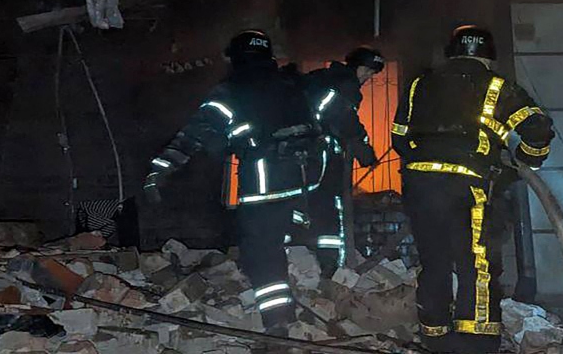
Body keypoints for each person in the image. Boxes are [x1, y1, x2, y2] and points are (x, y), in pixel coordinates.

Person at [143, 29, 325, 335]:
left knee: (261, 252)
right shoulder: (291, 84)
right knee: (277, 244)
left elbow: (193, 135)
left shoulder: (231, 91)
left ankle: (277, 321)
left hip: (264, 187)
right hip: (304, 183)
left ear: (236, 58)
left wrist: (160, 170)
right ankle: (306, 297)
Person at [391, 25, 554, 353]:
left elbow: (399, 137)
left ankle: (435, 337)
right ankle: (476, 341)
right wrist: (523, 162)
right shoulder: (496, 86)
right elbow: (538, 128)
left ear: (452, 53)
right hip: (467, 186)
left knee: (433, 259)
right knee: (476, 262)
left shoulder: (420, 84)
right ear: (489, 58)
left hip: (419, 184)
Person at [301, 46, 385, 273]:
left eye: (372, 74)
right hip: (322, 154)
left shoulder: (322, 78)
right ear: (354, 66)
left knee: (307, 203)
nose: (368, 77)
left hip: (304, 154)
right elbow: (344, 118)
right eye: (366, 71)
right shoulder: (346, 85)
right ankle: (330, 266)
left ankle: (304, 257)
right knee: (328, 204)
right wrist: (363, 148)